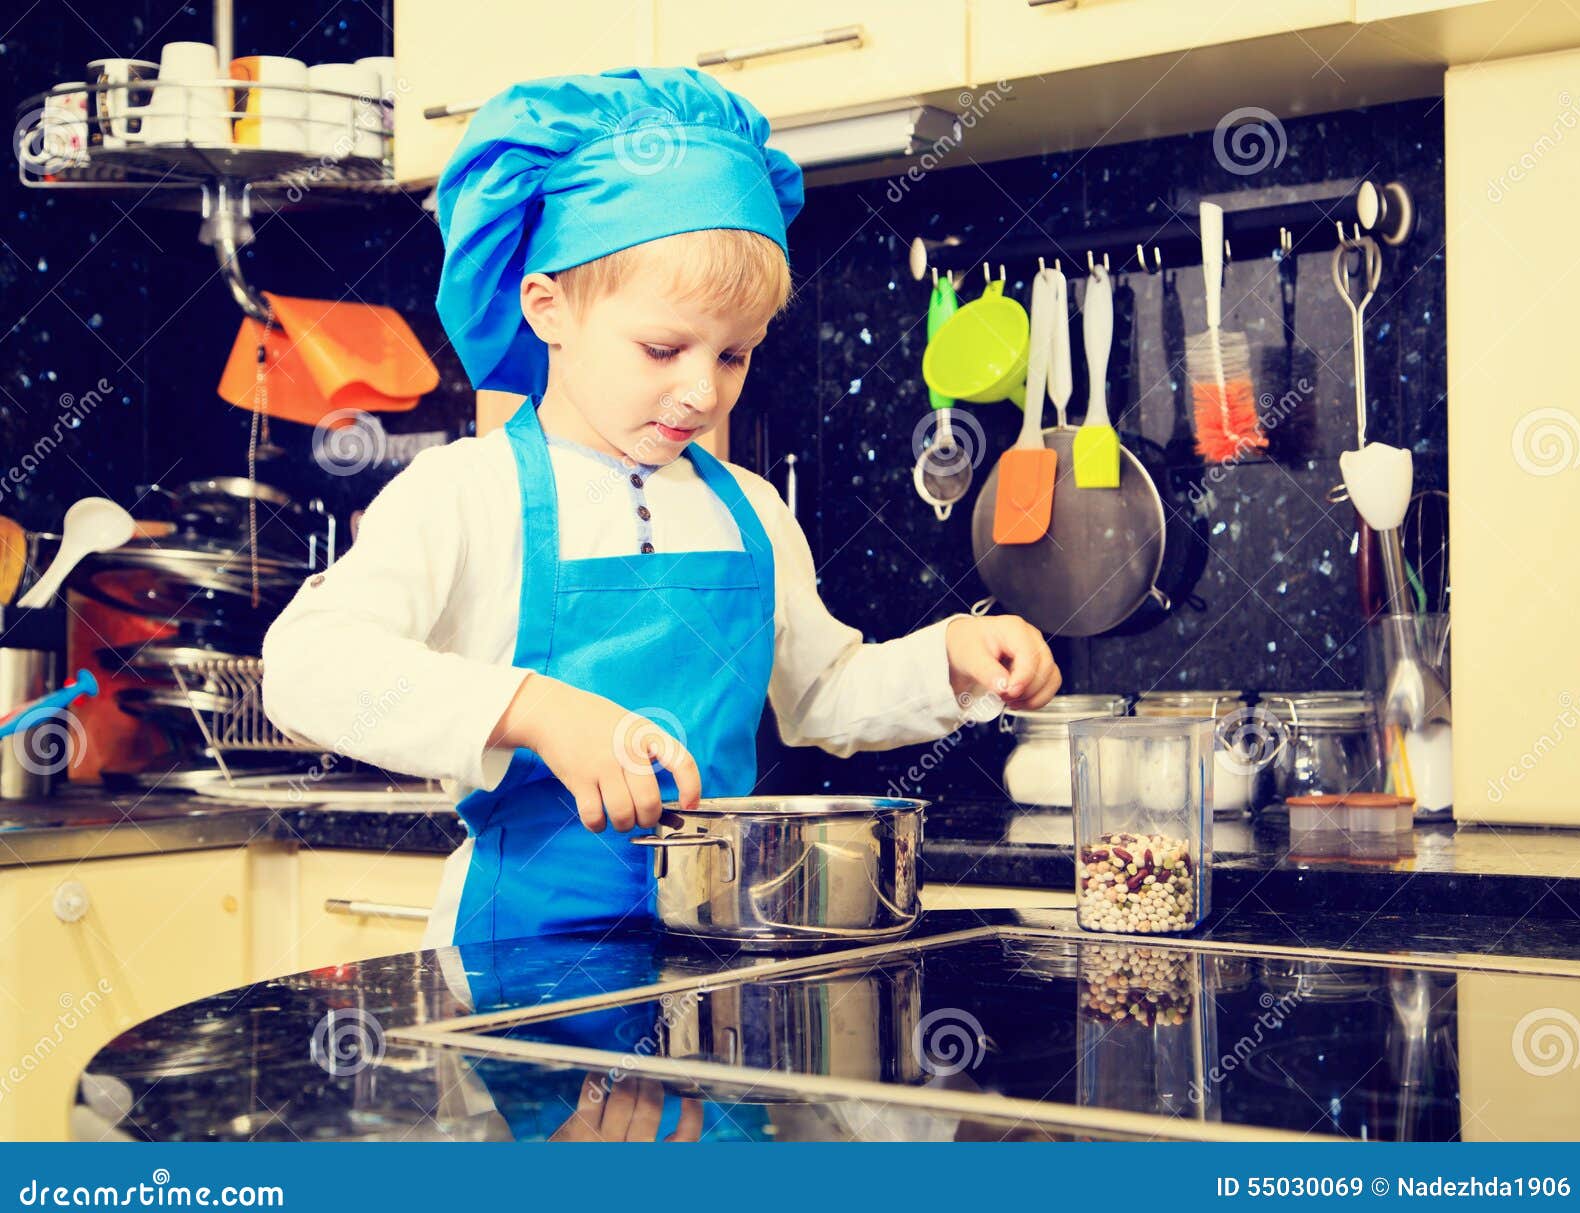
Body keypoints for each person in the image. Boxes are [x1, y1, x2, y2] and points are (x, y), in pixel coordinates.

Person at [261, 66, 1061, 953]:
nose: (699, 391)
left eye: (733, 356)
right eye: (662, 347)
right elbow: (305, 670)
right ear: (547, 308)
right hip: (523, 961)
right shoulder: (467, 493)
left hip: (723, 945)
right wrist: (535, 710)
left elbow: (823, 696)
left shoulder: (751, 510)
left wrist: (948, 662)